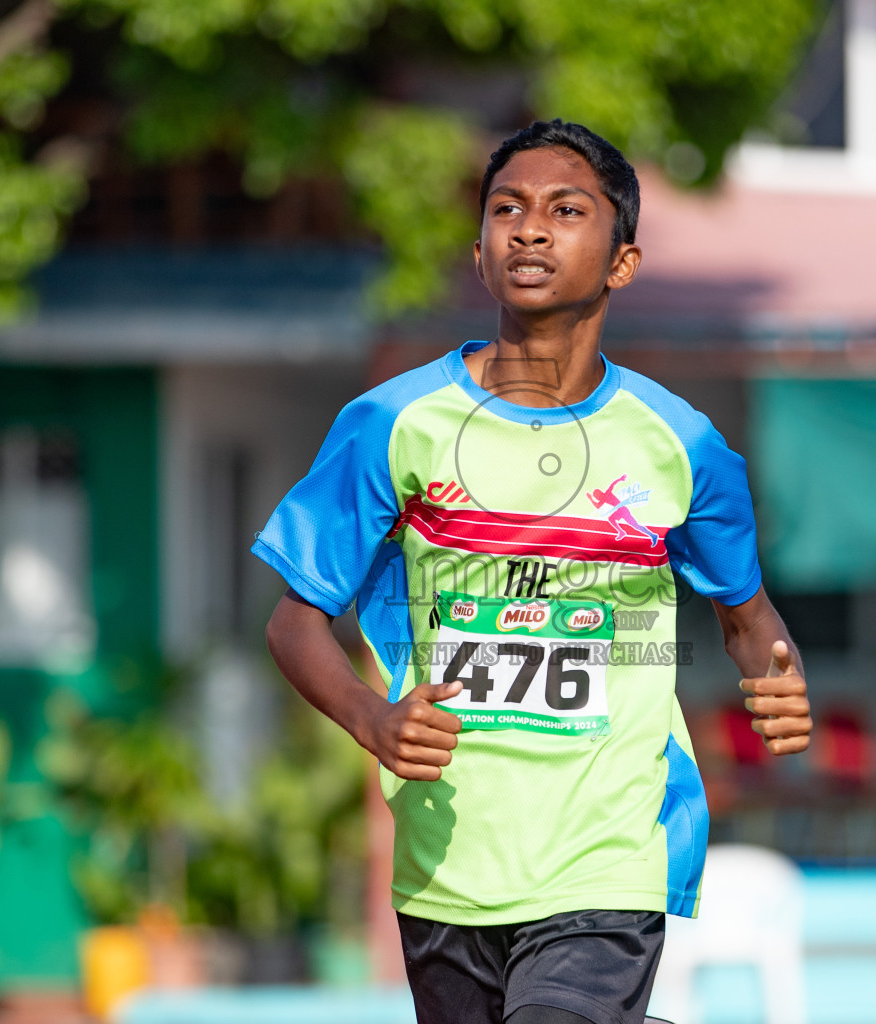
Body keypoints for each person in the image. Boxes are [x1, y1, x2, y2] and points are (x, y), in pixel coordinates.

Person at [254, 119, 812, 1024]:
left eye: (565, 210)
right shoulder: (394, 424)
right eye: (507, 209)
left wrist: (777, 677)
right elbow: (295, 619)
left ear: (622, 261)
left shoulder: (684, 447)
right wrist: (372, 720)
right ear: (479, 255)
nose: (531, 228)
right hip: (445, 862)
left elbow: (746, 617)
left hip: (608, 851)